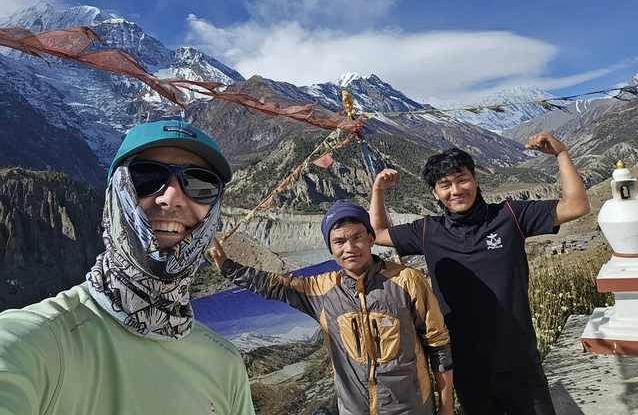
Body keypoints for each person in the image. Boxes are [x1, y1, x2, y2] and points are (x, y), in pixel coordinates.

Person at [0, 121, 255, 415]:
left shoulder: (226, 366)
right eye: (147, 177)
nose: (171, 198)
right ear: (115, 196)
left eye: (200, 184)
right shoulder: (36, 346)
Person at [369, 131, 590, 415]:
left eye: (462, 179)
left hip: (519, 360)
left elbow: (577, 206)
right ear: (435, 194)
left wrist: (561, 153)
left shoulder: (510, 216)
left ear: (476, 179)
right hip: (465, 366)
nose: (456, 190)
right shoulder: (428, 231)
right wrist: (378, 191)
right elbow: (376, 234)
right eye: (445, 185)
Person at [209, 199, 454, 415]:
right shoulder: (322, 290)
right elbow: (272, 285)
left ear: (370, 238)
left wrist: (446, 407)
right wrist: (227, 267)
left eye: (357, 237)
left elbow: (439, 345)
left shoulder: (407, 281)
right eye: (339, 241)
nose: (349, 248)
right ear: (331, 248)